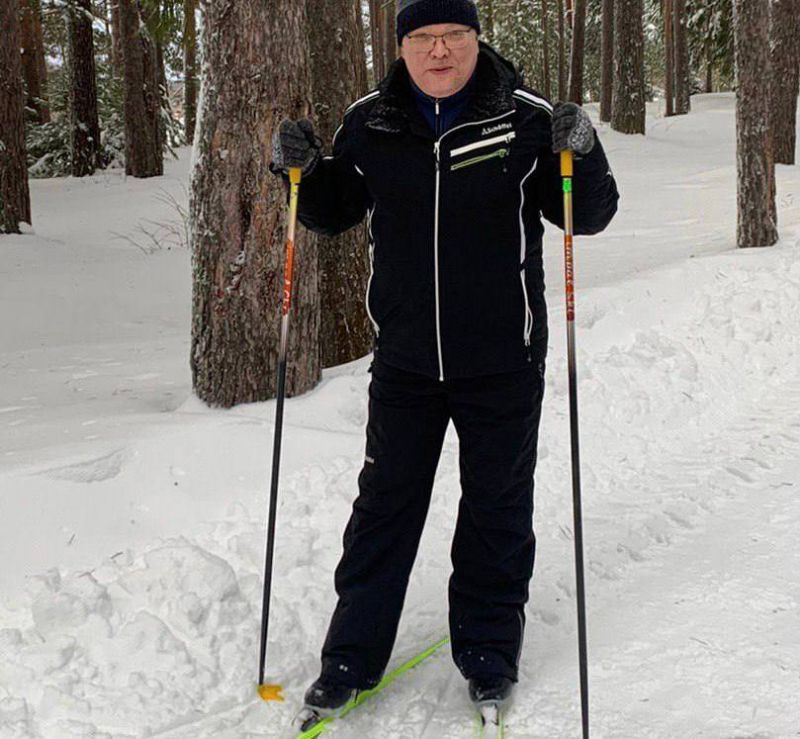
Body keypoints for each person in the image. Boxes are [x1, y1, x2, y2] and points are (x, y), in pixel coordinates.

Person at [271, 0, 619, 718]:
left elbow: (588, 213)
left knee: (496, 505)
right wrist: (299, 170)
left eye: (453, 36)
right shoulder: (371, 121)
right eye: (423, 38)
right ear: (402, 46)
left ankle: (490, 652)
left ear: (475, 39)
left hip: (503, 356)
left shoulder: (523, 118)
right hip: (404, 360)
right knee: (384, 508)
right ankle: (349, 658)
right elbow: (333, 209)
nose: (438, 52)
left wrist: (583, 151)